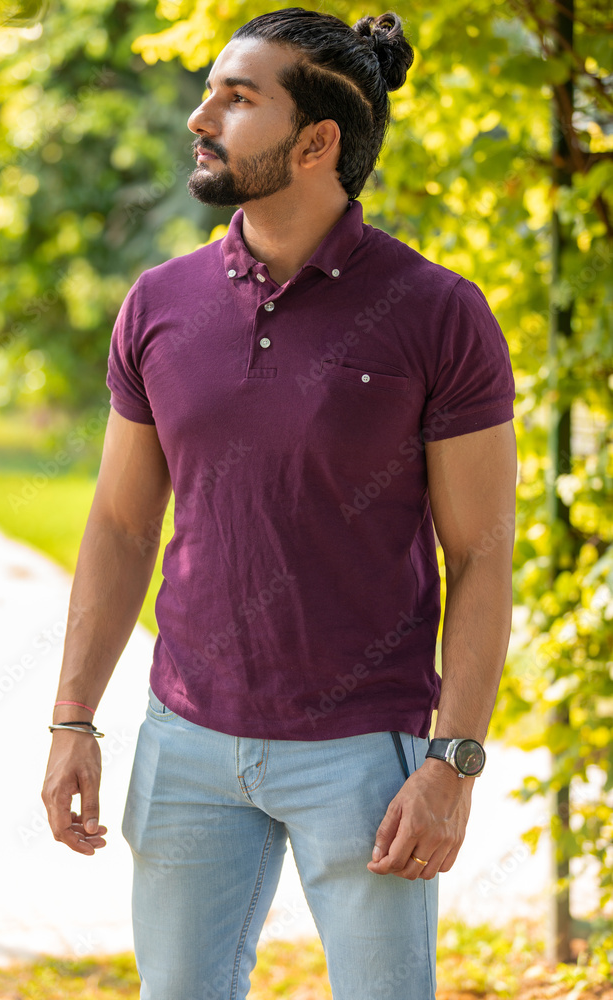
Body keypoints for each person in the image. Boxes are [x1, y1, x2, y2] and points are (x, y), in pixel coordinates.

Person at [41, 7, 517, 999]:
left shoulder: (436, 313)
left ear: (316, 142)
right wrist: (73, 720)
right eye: (211, 89)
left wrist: (452, 765)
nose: (199, 117)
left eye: (236, 96)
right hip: (186, 743)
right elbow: (123, 527)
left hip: (366, 759)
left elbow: (479, 553)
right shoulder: (159, 302)